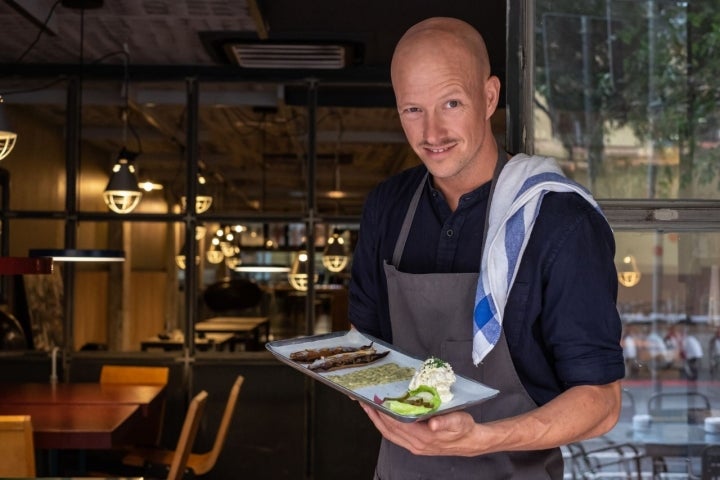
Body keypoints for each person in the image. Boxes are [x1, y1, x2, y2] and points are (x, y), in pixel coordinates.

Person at [348, 17, 624, 479]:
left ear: (490, 96)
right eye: (412, 110)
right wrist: (383, 400)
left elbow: (602, 404)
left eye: (451, 103)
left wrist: (483, 438)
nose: (431, 133)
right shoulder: (387, 208)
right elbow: (363, 347)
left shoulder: (559, 222)